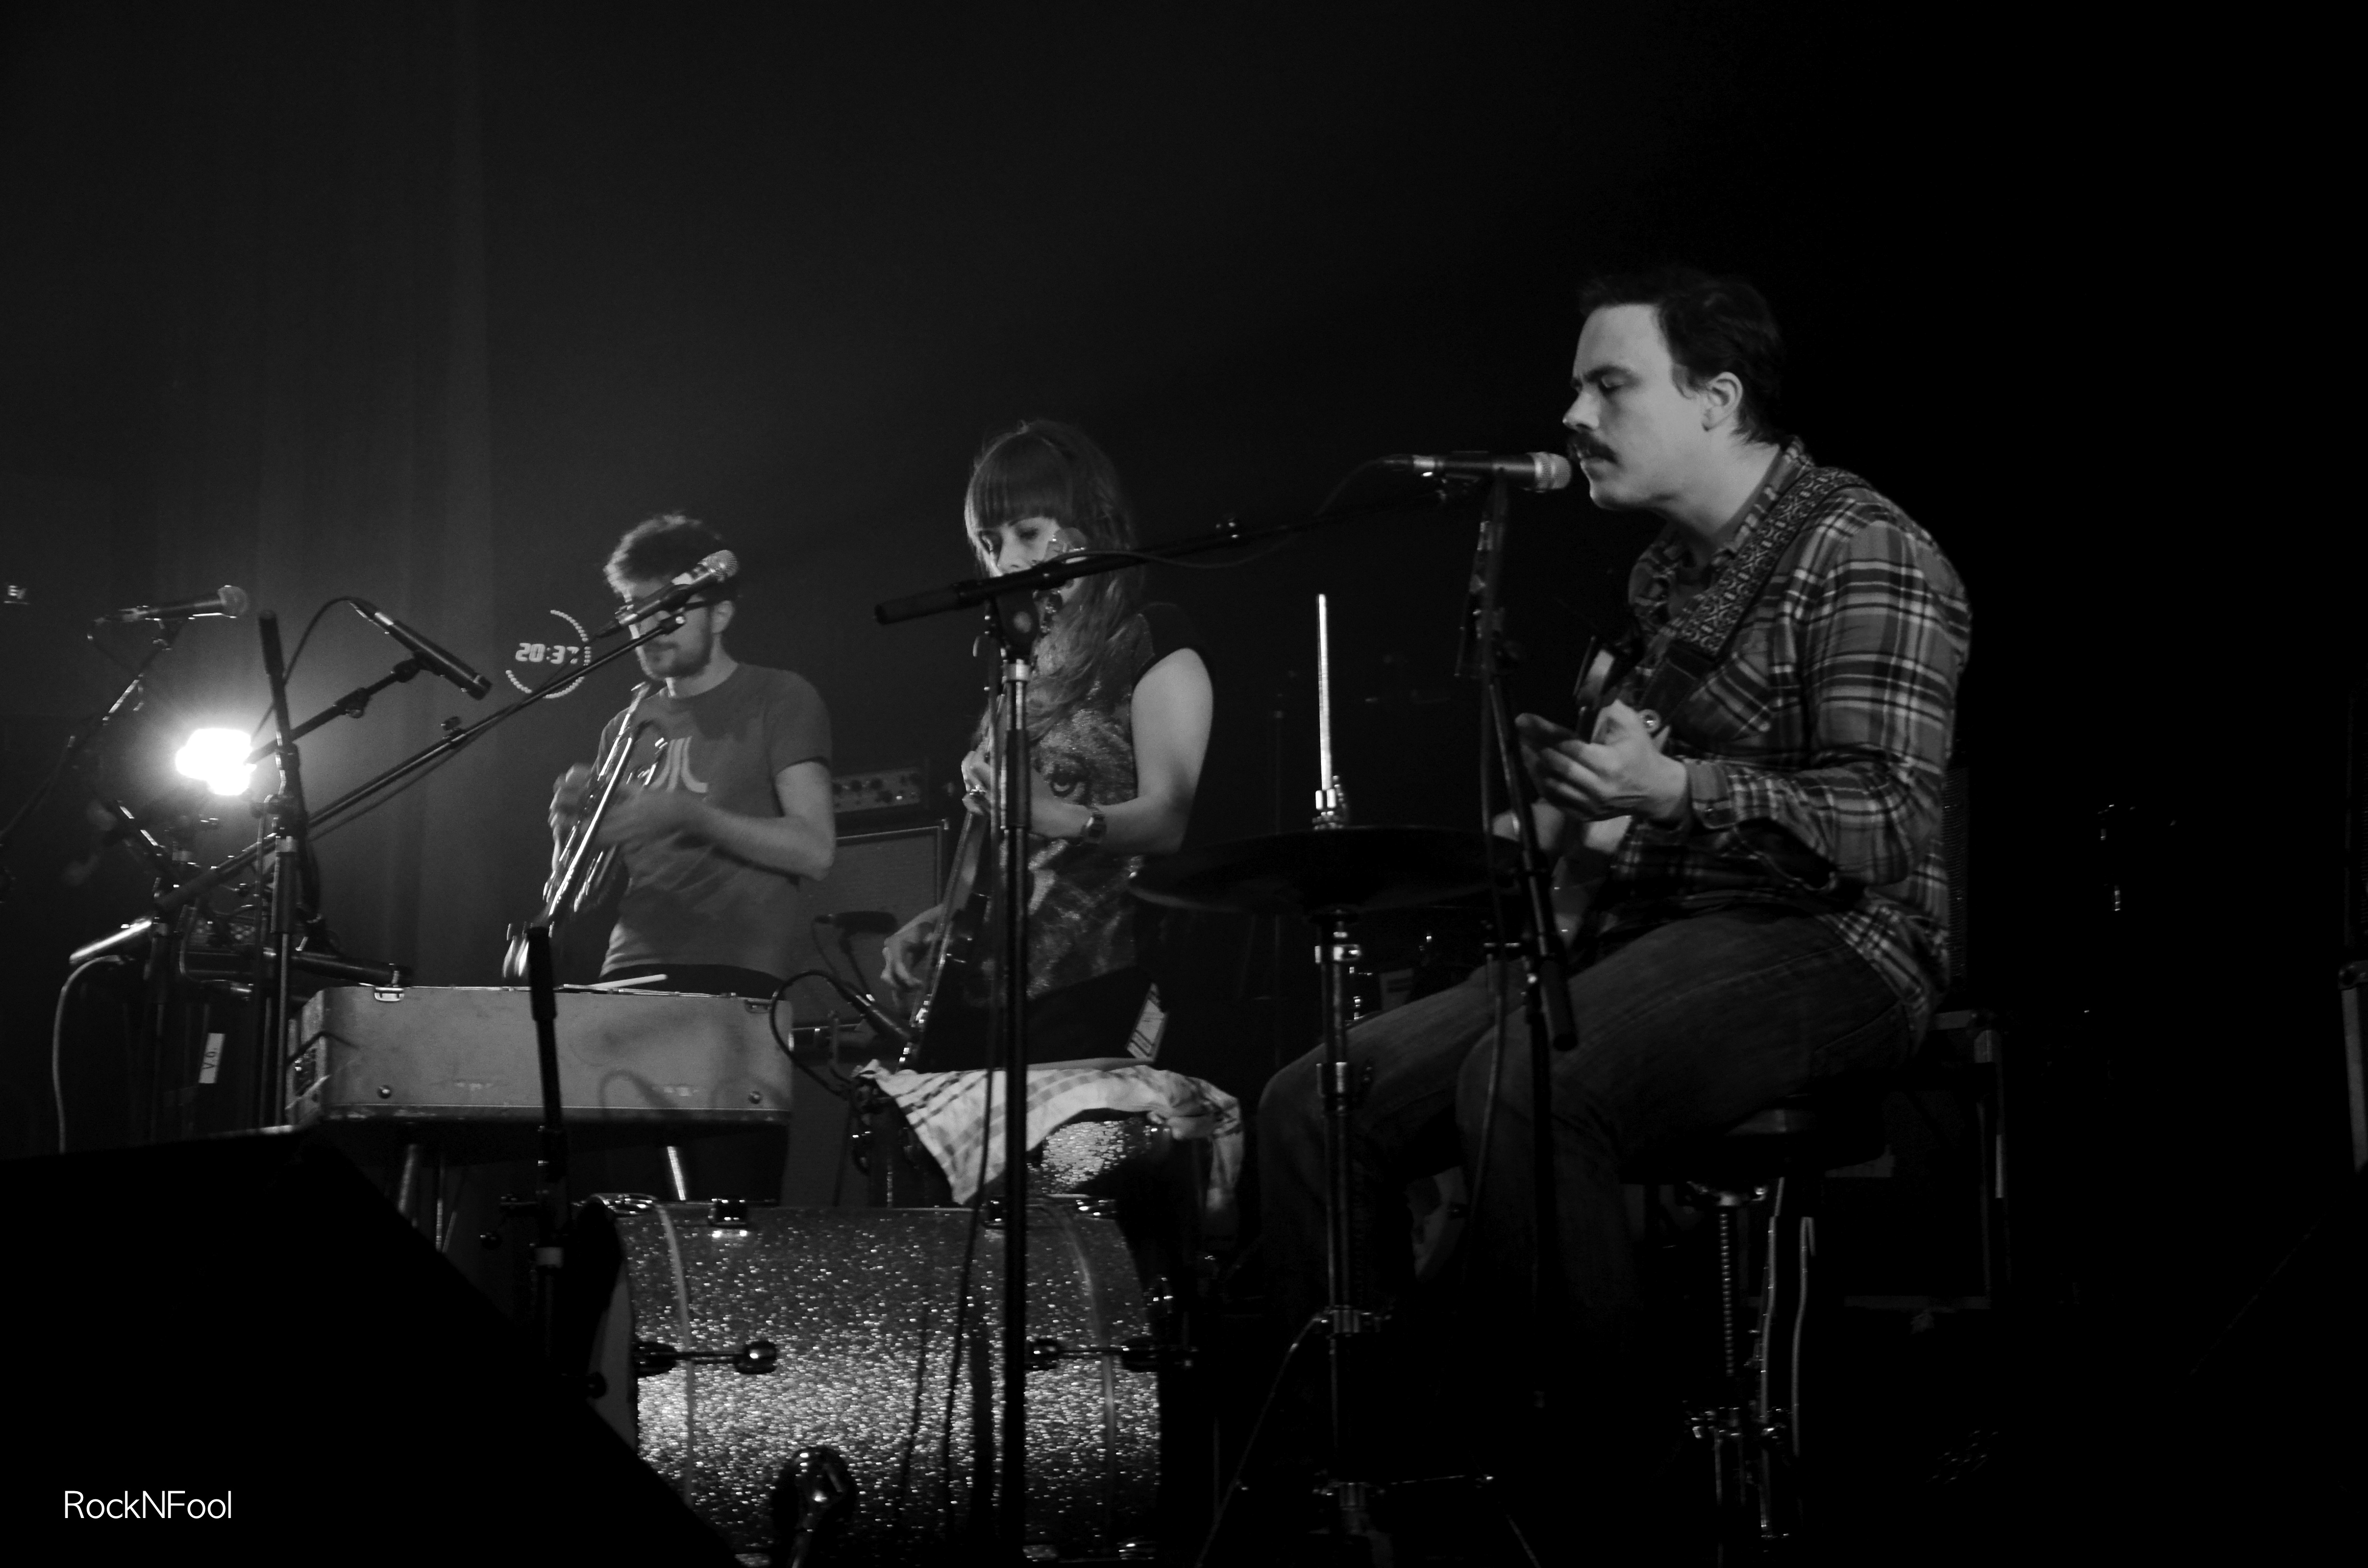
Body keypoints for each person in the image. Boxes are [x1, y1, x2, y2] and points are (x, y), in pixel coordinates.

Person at [1256, 269, 1973, 1494]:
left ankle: (1591, 1496)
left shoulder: (1863, 549)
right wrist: (1559, 807)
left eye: (1609, 385)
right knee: (1312, 1102)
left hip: (1836, 943)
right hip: (1646, 933)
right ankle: (1373, 1481)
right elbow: (1624, 791)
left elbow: (1889, 824)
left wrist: (1677, 791)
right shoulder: (1660, 577)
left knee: (1525, 1082)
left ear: (1716, 400)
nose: (1573, 415)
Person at [880, 419, 1213, 1067]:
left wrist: (1060, 816)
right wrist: (944, 921)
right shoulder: (1018, 674)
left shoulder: (1151, 640)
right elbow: (1005, 861)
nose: (1007, 562)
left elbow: (1170, 817)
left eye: (1028, 534)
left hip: (1103, 981)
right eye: (990, 543)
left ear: (1090, 525)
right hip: (993, 999)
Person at [546, 513, 835, 1198]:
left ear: (721, 612)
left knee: (728, 1213)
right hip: (628, 976)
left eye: (670, 609)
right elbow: (577, 895)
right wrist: (565, 835)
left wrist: (688, 814)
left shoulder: (780, 697)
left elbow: (815, 848)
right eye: (635, 611)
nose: (650, 627)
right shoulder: (626, 725)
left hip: (735, 981)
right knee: (625, 1217)